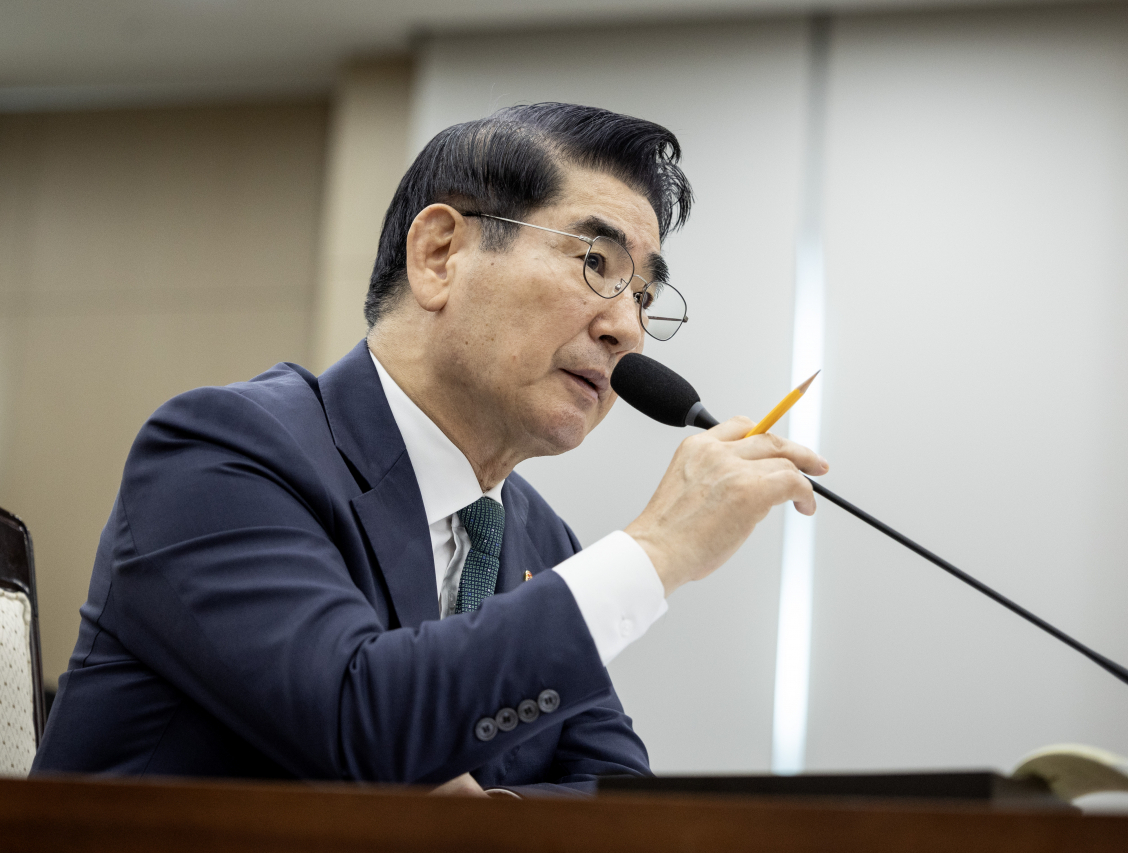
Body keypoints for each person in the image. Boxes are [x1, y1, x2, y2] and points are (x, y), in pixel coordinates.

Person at [31, 103, 826, 795]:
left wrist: (486, 822)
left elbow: (615, 795)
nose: (628, 328)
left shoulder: (540, 542)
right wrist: (657, 550)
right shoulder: (222, 455)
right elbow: (361, 723)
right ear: (440, 254)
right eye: (596, 264)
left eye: (644, 294)